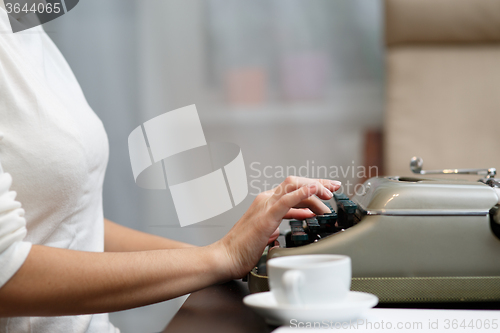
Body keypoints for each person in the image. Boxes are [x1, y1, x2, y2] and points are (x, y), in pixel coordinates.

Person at [0, 4, 341, 333]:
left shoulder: (24, 24)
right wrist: (221, 256)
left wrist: (228, 253)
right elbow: (7, 275)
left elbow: (67, 224)